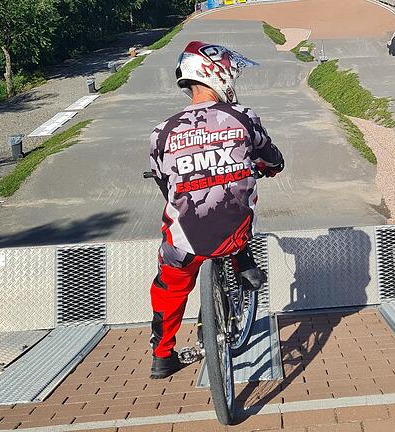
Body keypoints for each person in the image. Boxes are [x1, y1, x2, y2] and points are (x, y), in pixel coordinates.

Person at [148, 41, 284, 379]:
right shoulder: (242, 117)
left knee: (170, 282)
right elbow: (273, 159)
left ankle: (162, 355)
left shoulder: (161, 133)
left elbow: (165, 184)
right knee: (236, 206)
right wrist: (264, 167)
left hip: (186, 242)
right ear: (216, 73)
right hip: (233, 229)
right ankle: (243, 261)